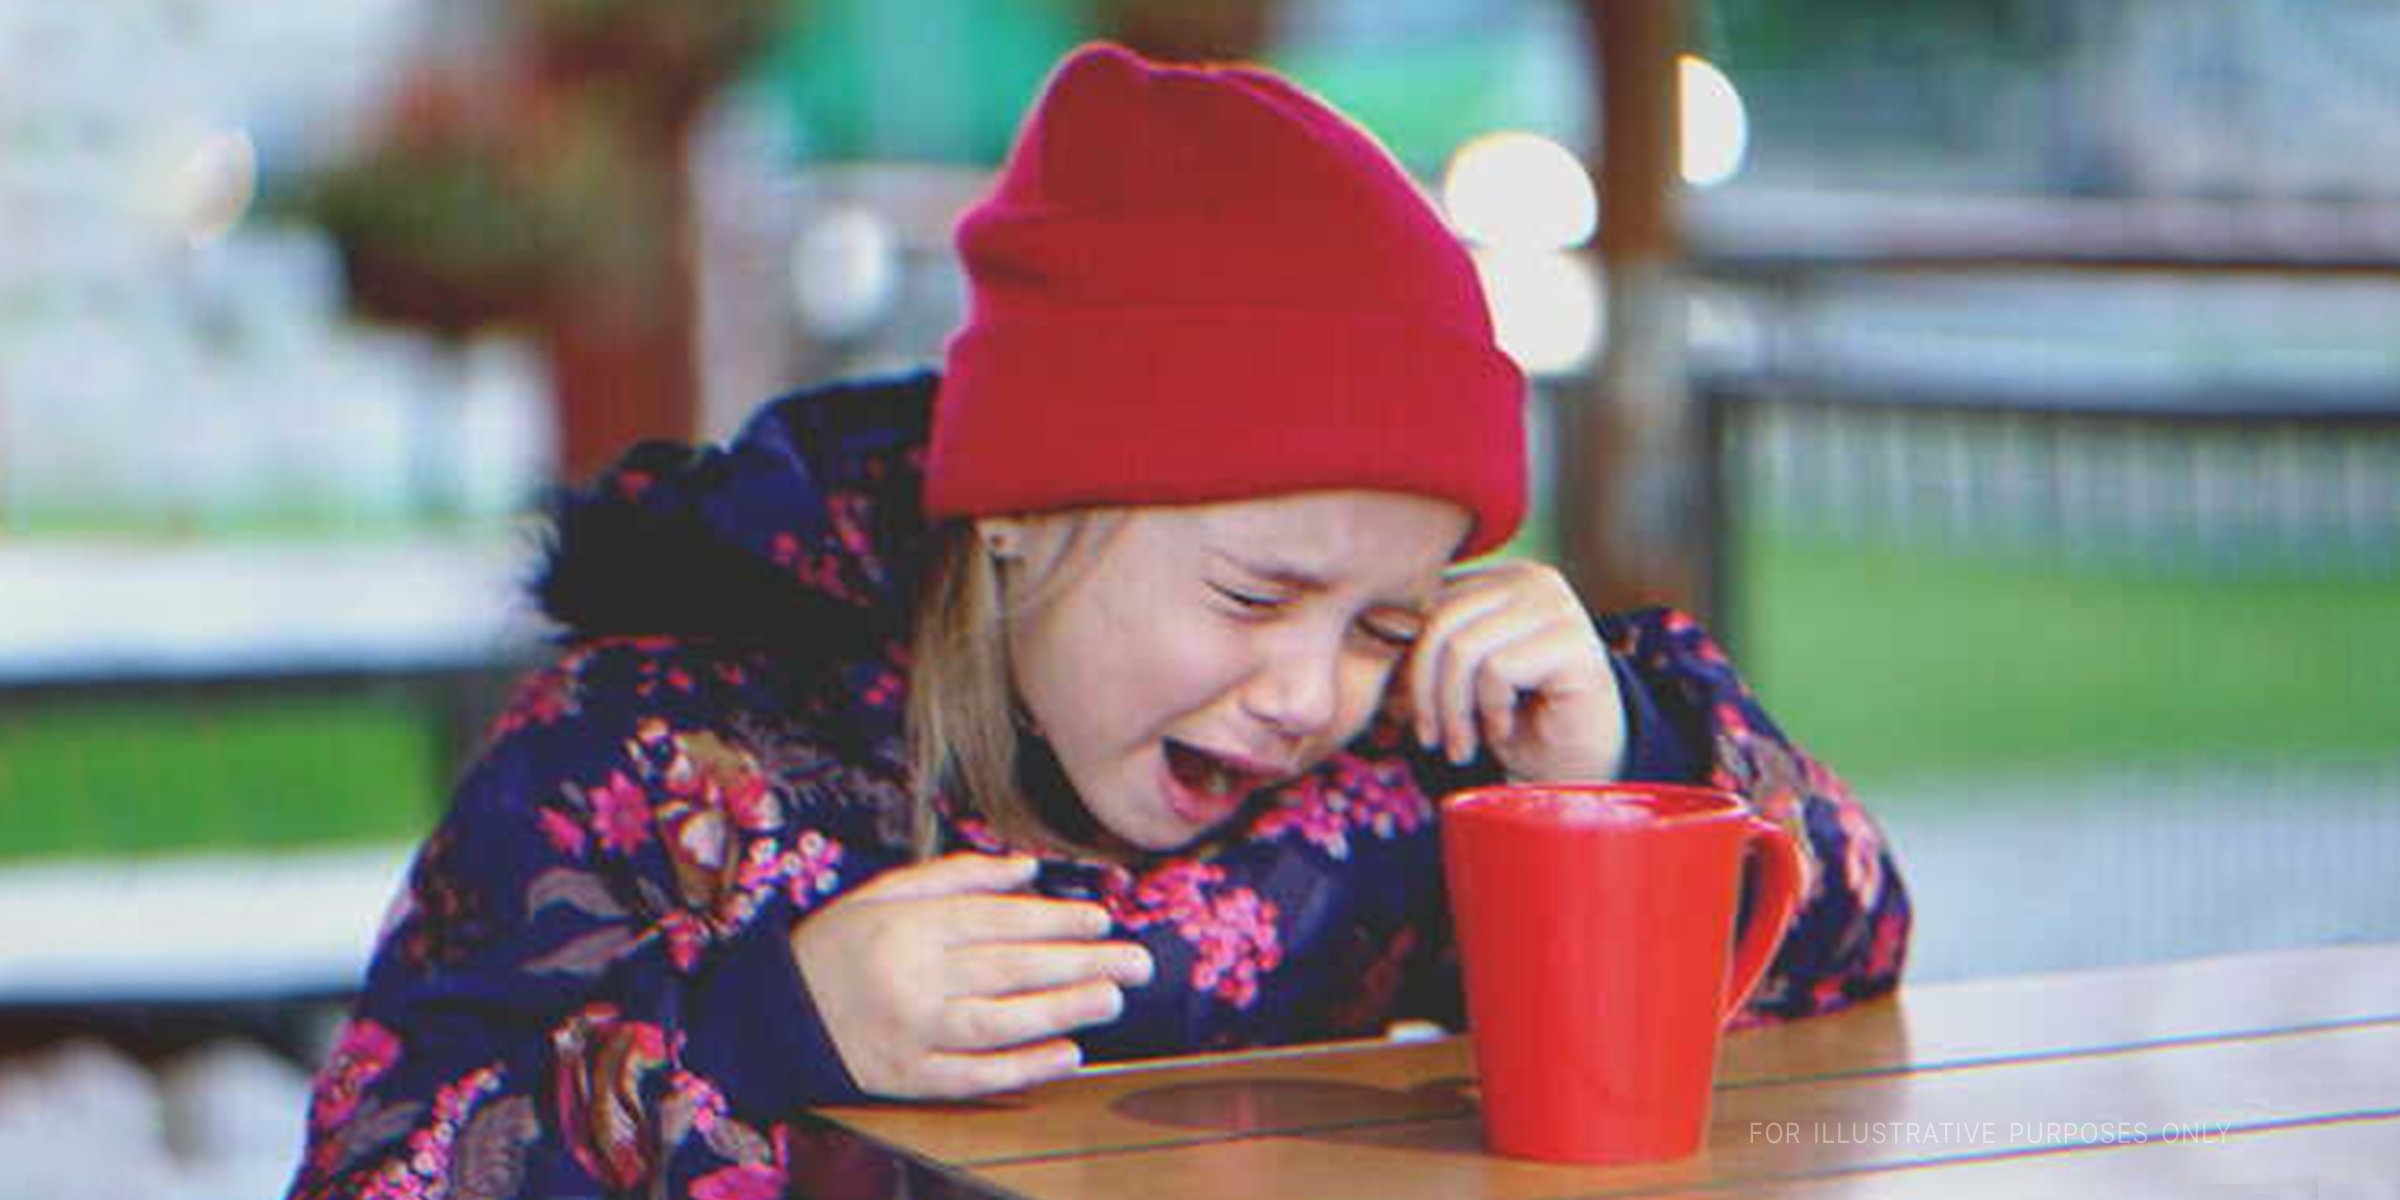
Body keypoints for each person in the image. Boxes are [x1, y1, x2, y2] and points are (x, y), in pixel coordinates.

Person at [286, 43, 1908, 1199]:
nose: (1305, 696)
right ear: (1019, 514)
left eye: (1379, 622)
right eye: (1253, 595)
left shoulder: (1403, 776)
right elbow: (380, 1169)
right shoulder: (648, 749)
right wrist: (778, 1028)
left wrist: (1625, 757)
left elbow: (1842, 952)